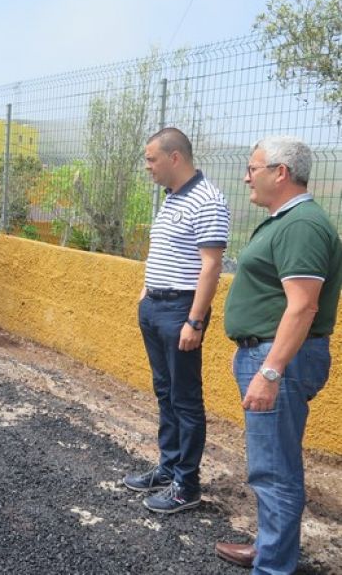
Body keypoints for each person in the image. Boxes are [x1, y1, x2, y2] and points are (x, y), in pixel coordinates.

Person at [215, 136, 342, 573]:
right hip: (270, 355)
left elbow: (303, 305)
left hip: (278, 359)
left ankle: (273, 567)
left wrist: (270, 371)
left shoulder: (301, 225)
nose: (246, 176)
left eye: (253, 169)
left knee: (273, 470)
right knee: (269, 462)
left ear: (280, 172)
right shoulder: (285, 220)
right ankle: (272, 550)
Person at [122, 127, 230, 514]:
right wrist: (144, 292)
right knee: (164, 391)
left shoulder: (208, 200)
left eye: (151, 159)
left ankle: (187, 484)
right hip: (155, 307)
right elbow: (163, 252)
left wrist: (195, 321)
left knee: (185, 399)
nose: (147, 166)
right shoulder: (171, 199)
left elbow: (211, 265)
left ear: (175, 158)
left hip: (181, 311)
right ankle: (168, 467)